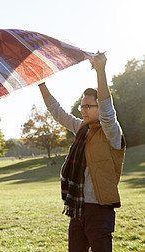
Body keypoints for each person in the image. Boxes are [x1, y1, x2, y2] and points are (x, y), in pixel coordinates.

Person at [38, 53, 125, 251]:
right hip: (77, 209)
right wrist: (40, 82)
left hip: (100, 210)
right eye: (81, 106)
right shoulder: (81, 129)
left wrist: (100, 71)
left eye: (88, 106)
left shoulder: (110, 132)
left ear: (98, 107)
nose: (83, 110)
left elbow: (107, 111)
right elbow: (57, 112)